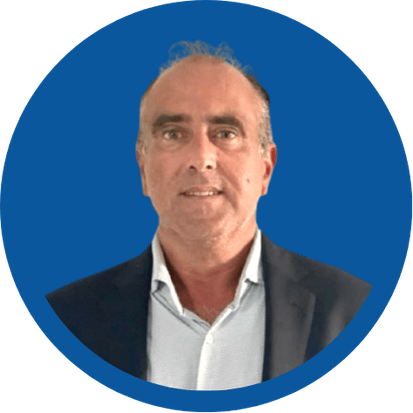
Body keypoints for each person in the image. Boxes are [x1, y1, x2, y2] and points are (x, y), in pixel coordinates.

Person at [46, 41, 372, 390]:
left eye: (226, 133)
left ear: (266, 168)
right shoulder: (63, 321)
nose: (201, 158)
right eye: (173, 134)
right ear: (143, 169)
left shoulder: (353, 314)